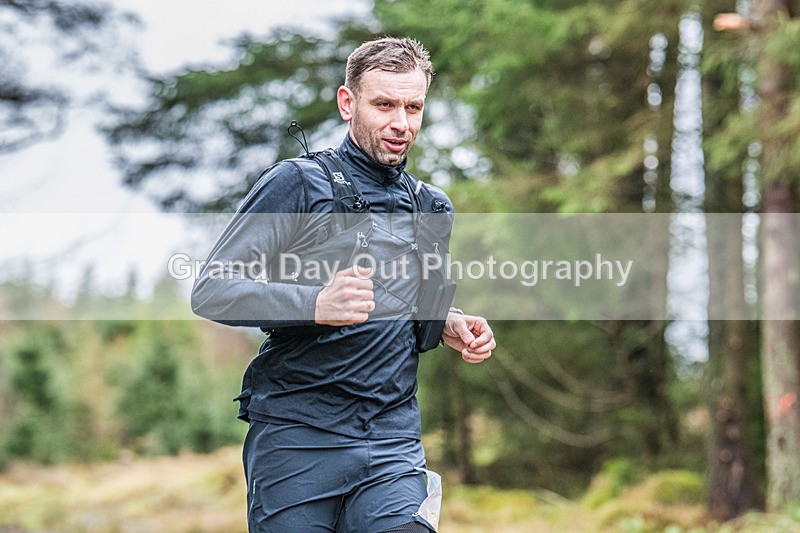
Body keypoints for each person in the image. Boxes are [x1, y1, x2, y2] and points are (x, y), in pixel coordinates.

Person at [191, 37, 495, 533]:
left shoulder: (432, 206)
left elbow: (413, 307)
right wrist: (315, 303)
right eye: (385, 104)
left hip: (391, 443)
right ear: (347, 103)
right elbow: (211, 288)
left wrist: (448, 323)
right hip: (298, 441)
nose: (402, 122)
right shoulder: (297, 183)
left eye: (413, 106)